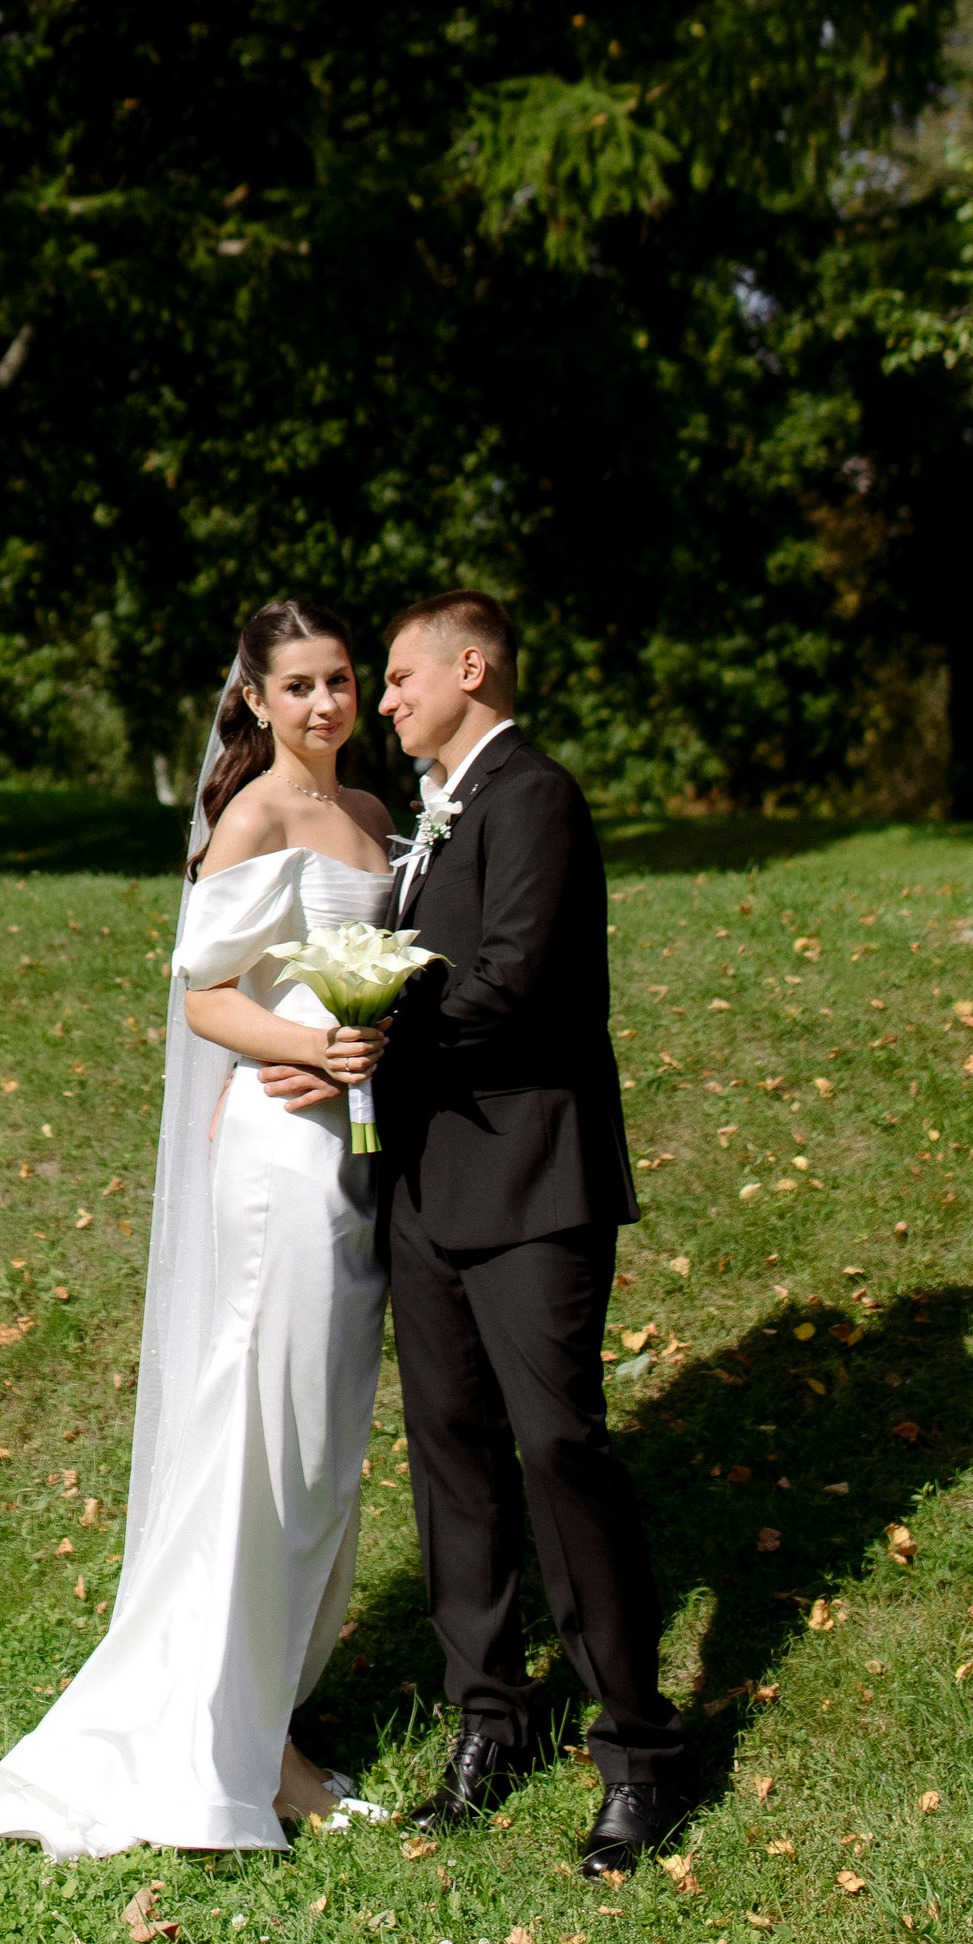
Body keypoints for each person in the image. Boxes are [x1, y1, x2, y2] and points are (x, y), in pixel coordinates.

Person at [0, 595, 397, 1855]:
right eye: (299, 686)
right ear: (254, 701)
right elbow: (207, 1000)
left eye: (340, 680)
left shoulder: (371, 819)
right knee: (262, 1438)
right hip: (281, 1157)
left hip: (357, 1157)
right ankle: (247, 1751)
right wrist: (319, 1045)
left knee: (318, 1454)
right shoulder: (255, 815)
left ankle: (264, 1709)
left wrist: (371, 1050)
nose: (325, 705)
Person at [371, 591, 687, 1876]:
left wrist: (368, 1026)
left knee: (558, 1447)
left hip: (532, 1184)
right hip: (424, 1189)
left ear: (473, 666)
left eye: (399, 677)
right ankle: (487, 1721)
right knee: (450, 1458)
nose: (384, 700)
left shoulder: (535, 797)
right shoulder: (429, 821)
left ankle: (640, 1752)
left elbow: (514, 980)